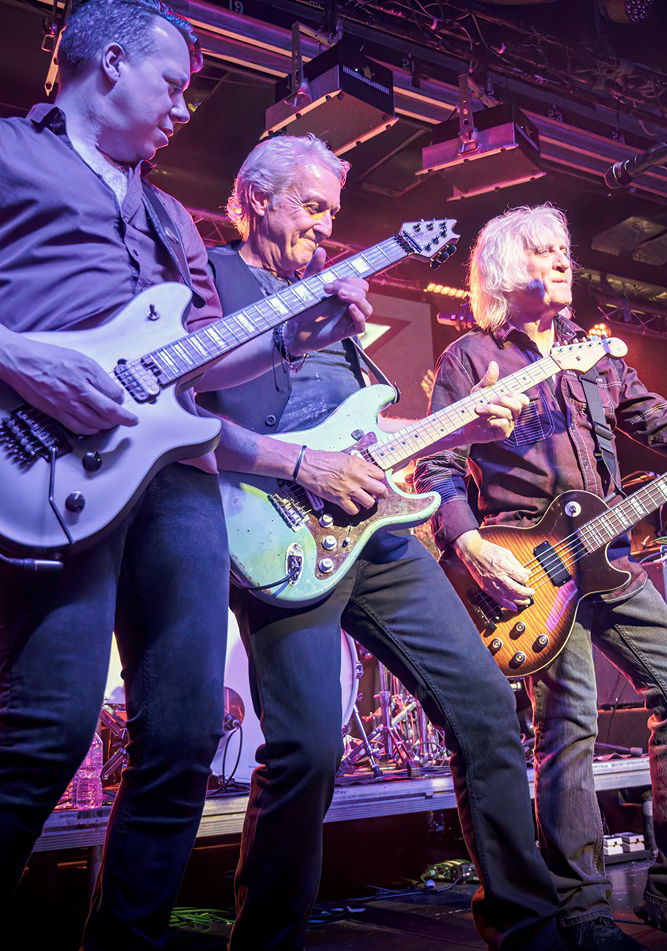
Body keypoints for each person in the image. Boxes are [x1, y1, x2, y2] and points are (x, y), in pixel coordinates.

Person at [0, 0, 370, 949]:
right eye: (172, 83)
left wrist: (296, 333)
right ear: (110, 63)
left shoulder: (171, 214)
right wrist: (22, 361)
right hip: (43, 458)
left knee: (183, 735)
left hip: (175, 477)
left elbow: (200, 358)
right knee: (47, 731)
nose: (184, 106)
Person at [416, 204, 667, 949]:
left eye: (565, 248)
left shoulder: (594, 354)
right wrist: (470, 542)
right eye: (544, 250)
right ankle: (583, 911)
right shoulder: (470, 357)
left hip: (607, 553)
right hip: (532, 566)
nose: (563, 259)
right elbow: (436, 466)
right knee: (568, 721)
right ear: (504, 269)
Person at [198, 135, 566, 951]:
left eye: (333, 211)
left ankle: (532, 932)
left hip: (378, 533)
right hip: (278, 531)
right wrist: (307, 467)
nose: (326, 226)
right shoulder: (210, 277)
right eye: (312, 206)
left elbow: (361, 433)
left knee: (485, 706)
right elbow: (179, 418)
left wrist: (462, 427)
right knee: (307, 749)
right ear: (255, 197)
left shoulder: (330, 301)